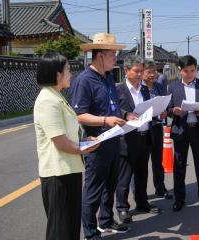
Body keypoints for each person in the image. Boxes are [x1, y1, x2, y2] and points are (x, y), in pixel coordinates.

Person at [34, 52, 99, 240]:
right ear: (57, 75)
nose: (71, 74)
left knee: (70, 228)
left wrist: (85, 142)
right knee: (60, 231)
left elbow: (69, 135)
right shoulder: (48, 100)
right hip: (58, 174)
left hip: (69, 170)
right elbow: (60, 142)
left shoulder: (57, 96)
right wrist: (84, 148)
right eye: (68, 70)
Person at [70, 32, 129, 240]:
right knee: (93, 190)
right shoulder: (84, 80)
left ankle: (106, 221)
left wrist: (125, 115)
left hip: (114, 139)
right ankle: (90, 232)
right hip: (96, 142)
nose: (116, 58)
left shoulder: (109, 77)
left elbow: (113, 107)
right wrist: (105, 120)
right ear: (101, 55)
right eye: (113, 54)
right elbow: (79, 115)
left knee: (110, 186)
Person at [115, 55, 161, 224]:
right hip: (127, 137)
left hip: (144, 135)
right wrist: (125, 114)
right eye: (136, 71)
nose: (140, 74)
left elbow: (148, 108)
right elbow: (114, 109)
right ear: (126, 70)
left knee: (142, 173)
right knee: (124, 176)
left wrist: (157, 111)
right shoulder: (118, 89)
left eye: (141, 71)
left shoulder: (144, 89)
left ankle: (142, 203)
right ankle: (122, 208)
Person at [167, 55, 199, 212]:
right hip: (181, 129)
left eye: (193, 71)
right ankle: (179, 199)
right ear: (180, 70)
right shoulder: (173, 87)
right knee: (179, 165)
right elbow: (168, 108)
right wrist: (173, 111)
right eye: (186, 71)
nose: (190, 74)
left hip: (198, 128)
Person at [142, 60, 172, 199]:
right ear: (142, 73)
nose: (152, 75)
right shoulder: (139, 87)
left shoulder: (159, 86)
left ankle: (160, 188)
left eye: (154, 71)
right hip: (142, 129)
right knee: (141, 162)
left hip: (156, 126)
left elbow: (164, 102)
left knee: (157, 160)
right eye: (148, 72)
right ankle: (140, 193)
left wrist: (165, 112)